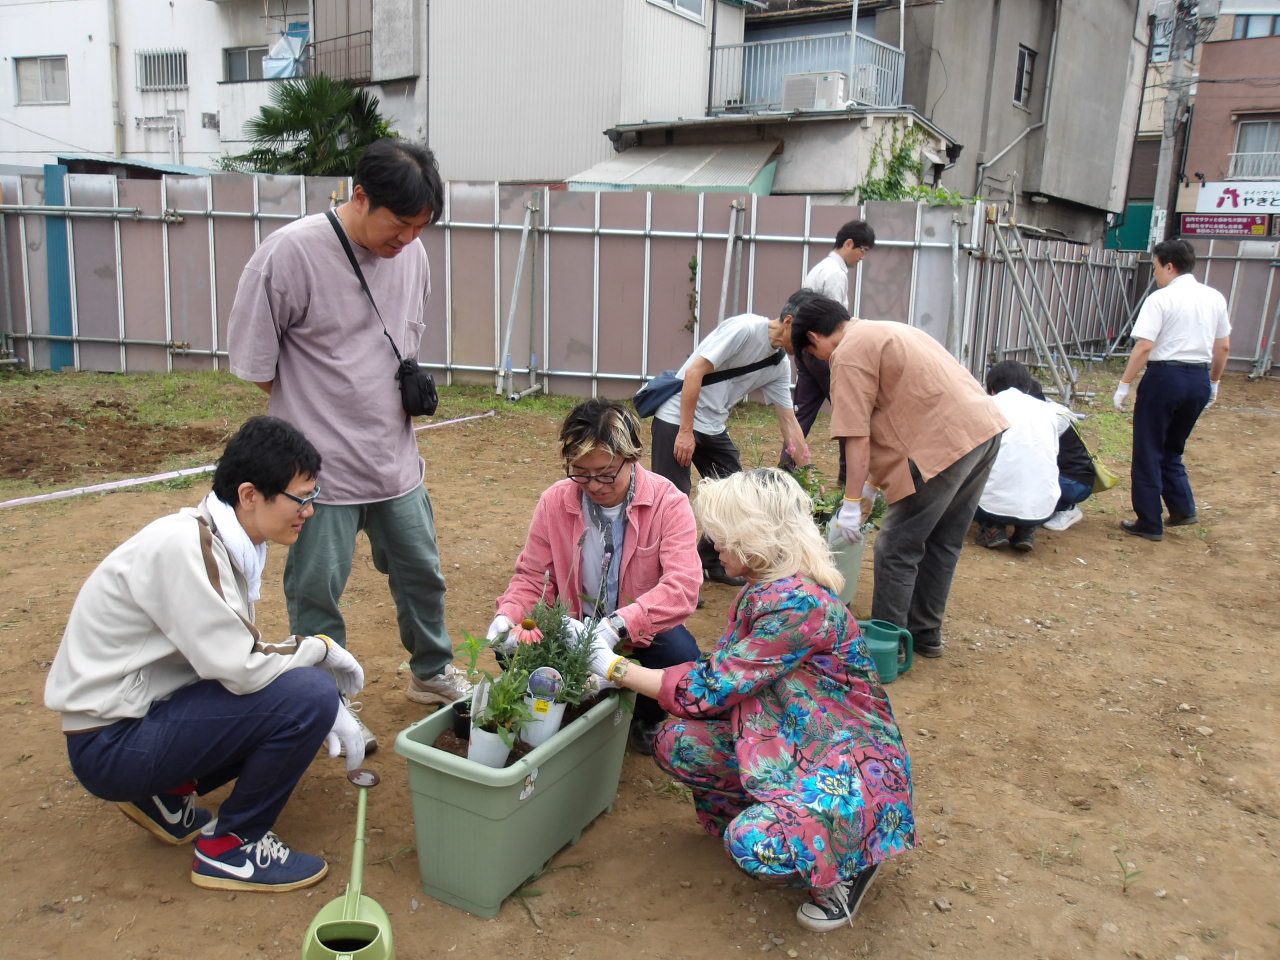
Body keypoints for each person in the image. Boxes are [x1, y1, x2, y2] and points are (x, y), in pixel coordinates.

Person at [44, 416, 368, 893]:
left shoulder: (217, 539)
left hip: (123, 724)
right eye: (301, 498)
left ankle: (164, 794)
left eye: (312, 497)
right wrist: (319, 651)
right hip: (111, 747)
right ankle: (231, 848)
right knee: (307, 697)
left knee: (291, 695)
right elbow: (241, 665)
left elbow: (227, 656)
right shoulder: (188, 548)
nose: (309, 511)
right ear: (250, 494)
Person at [585, 469, 915, 932]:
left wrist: (614, 668)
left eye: (722, 534)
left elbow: (710, 690)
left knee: (755, 843)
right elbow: (725, 678)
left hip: (847, 764)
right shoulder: (766, 590)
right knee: (677, 741)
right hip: (800, 740)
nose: (713, 543)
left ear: (755, 536)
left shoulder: (796, 605)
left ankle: (850, 859)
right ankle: (783, 810)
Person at [228, 139, 468, 746]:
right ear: (360, 196)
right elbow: (259, 362)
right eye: (400, 223)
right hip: (316, 474)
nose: (409, 239)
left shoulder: (413, 255)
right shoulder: (288, 254)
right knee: (315, 593)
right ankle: (325, 698)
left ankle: (432, 672)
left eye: (421, 227)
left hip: (394, 461)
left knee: (422, 576)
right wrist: (321, 405)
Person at [789, 295, 1007, 659]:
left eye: (813, 354)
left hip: (942, 446)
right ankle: (925, 636)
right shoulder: (887, 330)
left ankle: (888, 646)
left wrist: (852, 502)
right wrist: (871, 490)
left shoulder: (848, 353)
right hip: (982, 432)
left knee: (896, 546)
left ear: (815, 337)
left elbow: (857, 437)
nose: (820, 361)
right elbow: (893, 419)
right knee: (943, 541)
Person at [490, 400, 702, 754]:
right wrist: (506, 615)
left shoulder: (668, 503)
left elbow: (682, 587)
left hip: (637, 633)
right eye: (581, 473)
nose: (594, 485)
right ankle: (564, 708)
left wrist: (618, 625)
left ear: (631, 458)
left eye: (605, 473)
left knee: (679, 653)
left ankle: (646, 715)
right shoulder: (555, 502)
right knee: (511, 647)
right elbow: (533, 577)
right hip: (572, 626)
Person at [650, 309, 810, 586]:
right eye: (804, 339)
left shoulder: (779, 366)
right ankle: (673, 579)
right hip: (677, 418)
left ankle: (711, 562)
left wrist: (809, 473)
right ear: (789, 322)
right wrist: (685, 431)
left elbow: (789, 421)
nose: (806, 349)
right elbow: (695, 371)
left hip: (713, 425)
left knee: (737, 498)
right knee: (673, 501)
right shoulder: (745, 329)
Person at [1113, 238, 1231, 541]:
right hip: (1198, 379)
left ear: (1168, 265)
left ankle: (1149, 522)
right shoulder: (1215, 297)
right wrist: (1214, 382)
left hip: (1165, 377)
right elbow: (1224, 346)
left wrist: (1125, 383)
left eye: (1155, 268)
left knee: (1149, 449)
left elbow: (1144, 346)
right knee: (1172, 447)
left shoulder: (1160, 299)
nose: (1155, 274)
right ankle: (1182, 508)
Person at [778, 222, 877, 481]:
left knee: (804, 410)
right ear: (848, 244)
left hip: (807, 347)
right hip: (823, 349)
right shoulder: (834, 273)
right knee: (849, 409)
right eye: (862, 250)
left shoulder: (820, 268)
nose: (862, 257)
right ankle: (847, 475)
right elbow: (833, 322)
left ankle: (786, 467)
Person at [973, 360, 1074, 552]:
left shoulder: (987, 406)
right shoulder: (1051, 410)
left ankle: (993, 528)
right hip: (1043, 508)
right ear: (1027, 387)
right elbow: (1067, 422)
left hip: (990, 504)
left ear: (991, 388)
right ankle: (1025, 530)